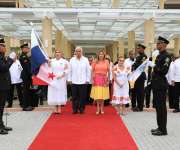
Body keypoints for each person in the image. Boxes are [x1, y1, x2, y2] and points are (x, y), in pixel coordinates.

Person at [151, 36, 171, 136]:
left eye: (159, 43)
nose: (157, 45)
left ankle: (163, 130)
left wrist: (155, 67)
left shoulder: (166, 56)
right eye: (157, 43)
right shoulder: (159, 55)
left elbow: (164, 70)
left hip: (161, 85)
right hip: (156, 84)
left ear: (164, 44)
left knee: (162, 108)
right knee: (158, 108)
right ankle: (160, 127)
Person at [68, 47, 90, 114]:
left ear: (81, 52)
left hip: (83, 81)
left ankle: (81, 109)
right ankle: (75, 109)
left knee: (82, 96)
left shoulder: (85, 60)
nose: (78, 52)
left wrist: (87, 79)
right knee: (74, 96)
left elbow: (88, 71)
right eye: (77, 51)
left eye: (79, 51)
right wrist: (69, 79)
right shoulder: (72, 60)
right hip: (74, 81)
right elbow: (69, 70)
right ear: (75, 52)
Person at [0, 39, 14, 135]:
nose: (5, 47)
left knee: (1, 106)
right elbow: (3, 68)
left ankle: (1, 124)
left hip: (3, 85)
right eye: (2, 45)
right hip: (0, 86)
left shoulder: (2, 56)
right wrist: (10, 60)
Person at [131, 44, 147, 111]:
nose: (138, 49)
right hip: (136, 76)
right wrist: (134, 65)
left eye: (139, 48)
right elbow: (134, 65)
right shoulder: (138, 56)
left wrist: (135, 65)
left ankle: (140, 107)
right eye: (137, 48)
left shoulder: (144, 56)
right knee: (135, 91)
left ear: (143, 49)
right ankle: (135, 106)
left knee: (140, 92)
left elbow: (140, 65)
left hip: (140, 76)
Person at [19, 43, 33, 111]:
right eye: (26, 48)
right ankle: (25, 106)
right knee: (25, 91)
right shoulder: (23, 57)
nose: (27, 49)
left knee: (28, 91)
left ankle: (28, 105)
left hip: (27, 76)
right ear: (22, 49)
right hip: (25, 76)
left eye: (27, 48)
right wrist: (31, 74)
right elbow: (27, 67)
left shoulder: (26, 56)